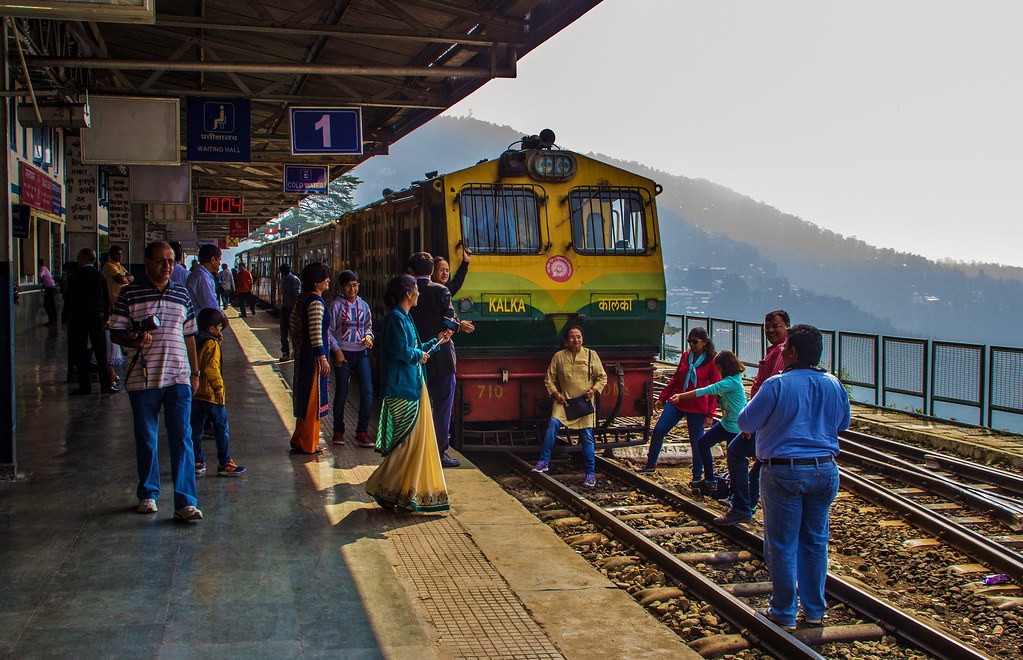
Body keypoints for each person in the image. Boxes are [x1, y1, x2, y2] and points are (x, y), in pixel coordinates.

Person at [738, 324, 849, 630]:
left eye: (786, 348)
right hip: (825, 469)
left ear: (793, 352)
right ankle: (814, 611)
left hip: (784, 470)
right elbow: (843, 423)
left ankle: (784, 612)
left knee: (783, 544)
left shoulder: (777, 385)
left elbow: (746, 419)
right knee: (815, 542)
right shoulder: (834, 384)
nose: (783, 352)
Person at [110, 241, 203, 522]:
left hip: (178, 377)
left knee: (182, 439)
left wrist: (195, 373)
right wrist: (133, 339)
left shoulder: (182, 295)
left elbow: (190, 336)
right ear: (147, 262)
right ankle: (148, 494)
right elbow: (116, 332)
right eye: (161, 261)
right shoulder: (129, 293)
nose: (167, 267)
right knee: (147, 438)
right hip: (143, 377)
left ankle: (186, 501)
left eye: (171, 261)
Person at [364, 274, 451, 512]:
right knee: (407, 442)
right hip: (402, 387)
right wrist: (417, 355)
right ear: (408, 292)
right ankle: (383, 485)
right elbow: (400, 350)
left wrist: (437, 341)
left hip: (412, 384)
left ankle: (403, 492)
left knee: (412, 443)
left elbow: (414, 347)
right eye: (416, 289)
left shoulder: (405, 317)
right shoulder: (395, 318)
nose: (419, 293)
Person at [407, 251, 473, 468]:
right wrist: (454, 328)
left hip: (416, 356)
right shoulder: (441, 291)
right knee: (443, 406)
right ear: (432, 271)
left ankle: (416, 448)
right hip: (442, 356)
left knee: (418, 404)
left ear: (412, 270)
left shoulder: (406, 289)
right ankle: (440, 452)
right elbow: (450, 322)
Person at [727, 310, 791, 524]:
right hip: (767, 421)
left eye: (776, 326)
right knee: (757, 468)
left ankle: (742, 506)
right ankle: (748, 505)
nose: (771, 330)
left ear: (787, 326)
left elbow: (771, 391)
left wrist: (753, 423)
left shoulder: (782, 352)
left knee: (736, 452)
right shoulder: (775, 350)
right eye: (767, 327)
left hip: (767, 422)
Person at [674, 351, 750, 522]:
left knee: (736, 466)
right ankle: (709, 480)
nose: (717, 369)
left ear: (723, 366)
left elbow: (706, 390)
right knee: (703, 443)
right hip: (726, 423)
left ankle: (740, 504)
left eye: (718, 366)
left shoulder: (730, 382)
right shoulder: (731, 380)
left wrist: (681, 396)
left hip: (735, 428)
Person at [532, 325, 608, 487]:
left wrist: (593, 390)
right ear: (566, 340)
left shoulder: (591, 355)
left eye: (579, 337)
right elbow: (549, 379)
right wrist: (556, 394)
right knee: (552, 425)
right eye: (573, 337)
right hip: (564, 402)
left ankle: (590, 473)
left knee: (587, 436)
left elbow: (602, 377)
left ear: (582, 339)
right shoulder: (558, 357)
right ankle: (543, 461)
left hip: (583, 403)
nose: (576, 340)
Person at [640, 326, 719, 476]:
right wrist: (663, 397)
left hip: (698, 406)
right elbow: (676, 378)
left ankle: (697, 475)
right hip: (678, 401)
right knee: (659, 430)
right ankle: (650, 465)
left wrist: (710, 413)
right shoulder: (685, 356)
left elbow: (715, 388)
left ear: (704, 342)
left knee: (697, 442)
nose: (691, 345)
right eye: (689, 341)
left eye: (694, 342)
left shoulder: (712, 361)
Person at [190, 307, 247, 477]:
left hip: (197, 393)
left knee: (196, 429)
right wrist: (218, 388)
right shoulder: (211, 344)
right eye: (219, 328)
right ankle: (224, 462)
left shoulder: (195, 340)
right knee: (221, 428)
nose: (220, 330)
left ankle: (198, 461)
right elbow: (211, 368)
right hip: (211, 395)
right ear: (211, 329)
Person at [327, 270, 375, 448]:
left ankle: (361, 431)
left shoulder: (364, 306)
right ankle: (338, 430)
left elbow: (368, 327)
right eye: (348, 285)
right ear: (341, 287)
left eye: (355, 285)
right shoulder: (336, 306)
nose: (352, 289)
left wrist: (369, 337)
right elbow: (329, 331)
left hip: (361, 354)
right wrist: (337, 350)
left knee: (368, 392)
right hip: (344, 355)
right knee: (341, 392)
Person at [289, 263, 332, 454]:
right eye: (325, 278)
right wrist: (322, 357)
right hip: (314, 358)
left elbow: (292, 324)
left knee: (304, 396)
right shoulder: (315, 301)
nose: (328, 280)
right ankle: (309, 443)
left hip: (304, 354)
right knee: (313, 400)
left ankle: (300, 438)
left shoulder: (302, 298)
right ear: (317, 282)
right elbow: (316, 332)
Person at [61, 248, 115, 395]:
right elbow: (106, 298)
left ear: (83, 258)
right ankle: (105, 385)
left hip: (79, 318)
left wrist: (64, 318)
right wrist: (106, 317)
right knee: (100, 351)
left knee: (81, 352)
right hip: (97, 317)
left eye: (79, 256)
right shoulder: (100, 276)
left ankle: (85, 386)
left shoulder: (75, 276)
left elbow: (69, 299)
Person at [185, 243, 224, 316]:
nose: (219, 263)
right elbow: (209, 304)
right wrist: (221, 317)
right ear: (213, 260)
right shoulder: (202, 277)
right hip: (200, 322)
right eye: (219, 260)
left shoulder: (201, 274)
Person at [278, 264, 301, 360]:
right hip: (285, 308)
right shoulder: (285, 280)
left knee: (292, 332)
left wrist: (296, 310)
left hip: (291, 310)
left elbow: (297, 296)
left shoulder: (293, 280)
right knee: (284, 332)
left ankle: (293, 352)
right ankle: (286, 352)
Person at [38, 258, 57, 325]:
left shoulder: (42, 268)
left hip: (50, 288)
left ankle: (51, 320)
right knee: (52, 305)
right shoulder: (45, 268)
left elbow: (40, 275)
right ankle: (53, 320)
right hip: (52, 287)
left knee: (47, 304)